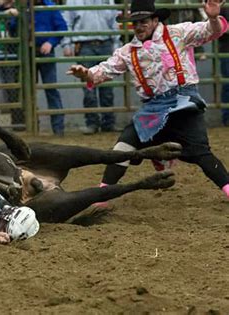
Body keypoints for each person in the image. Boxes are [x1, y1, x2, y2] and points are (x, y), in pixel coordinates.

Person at [67, 0, 229, 200]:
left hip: (183, 101)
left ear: (155, 20)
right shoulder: (128, 51)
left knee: (201, 154)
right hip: (153, 109)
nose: (138, 27)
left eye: (143, 21)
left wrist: (213, 17)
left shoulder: (178, 33)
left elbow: (211, 31)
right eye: (135, 23)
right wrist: (87, 74)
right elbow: (105, 70)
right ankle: (101, 196)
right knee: (123, 147)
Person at [62, 0, 120, 135]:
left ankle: (108, 122)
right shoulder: (73, 2)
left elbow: (114, 22)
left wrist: (116, 43)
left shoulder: (108, 1)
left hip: (105, 43)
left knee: (107, 85)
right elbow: (67, 22)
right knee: (89, 86)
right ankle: (92, 122)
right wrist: (67, 43)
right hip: (84, 45)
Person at [9, 0, 67, 136]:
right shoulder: (22, 7)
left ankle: (58, 128)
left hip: (43, 52)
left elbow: (62, 27)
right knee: (28, 92)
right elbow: (12, 30)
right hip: (27, 52)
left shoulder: (49, 7)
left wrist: (50, 42)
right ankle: (33, 126)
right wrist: (15, 19)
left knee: (50, 89)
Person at [219, 6, 229, 127]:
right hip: (226, 48)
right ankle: (227, 116)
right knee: (227, 84)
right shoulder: (223, 6)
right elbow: (218, 27)